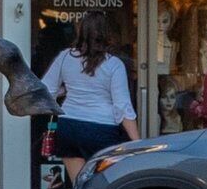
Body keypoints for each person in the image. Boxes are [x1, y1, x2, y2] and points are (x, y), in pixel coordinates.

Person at [41, 11, 139, 174]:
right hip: (102, 129)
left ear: (81, 31)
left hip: (69, 125)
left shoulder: (65, 57)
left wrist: (66, 89)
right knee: (105, 182)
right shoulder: (114, 64)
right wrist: (137, 144)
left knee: (79, 183)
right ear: (107, 34)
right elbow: (122, 108)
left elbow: (46, 91)